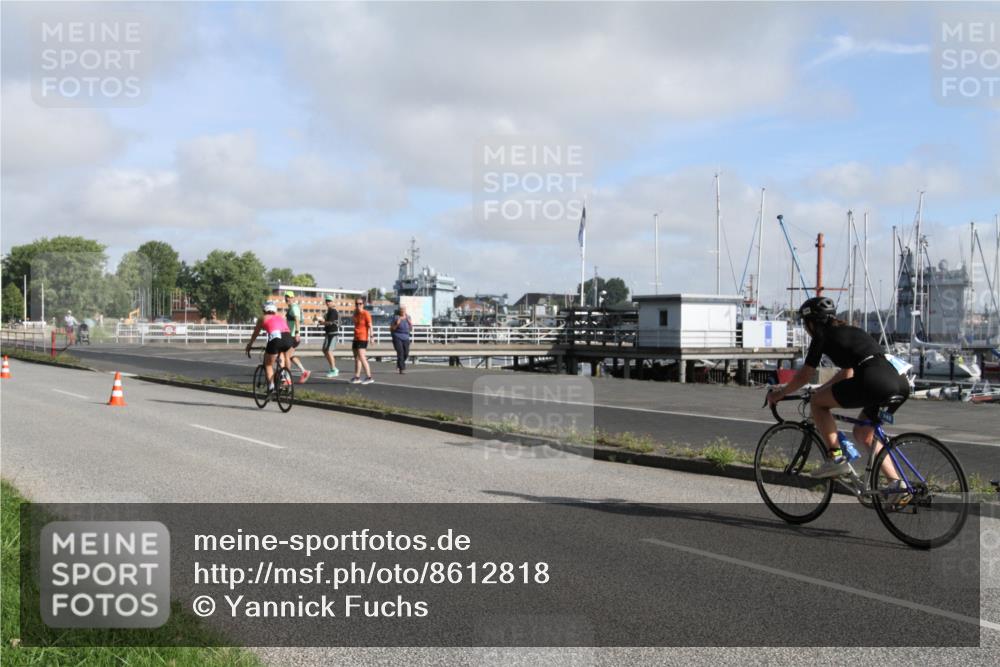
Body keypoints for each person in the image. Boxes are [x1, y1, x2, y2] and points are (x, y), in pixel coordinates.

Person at [767, 296, 910, 479]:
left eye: (805, 323)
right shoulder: (850, 331)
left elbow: (805, 375)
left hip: (874, 380)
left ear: (811, 323)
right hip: (899, 380)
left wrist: (780, 393)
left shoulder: (822, 335)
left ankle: (835, 458)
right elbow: (846, 374)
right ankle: (897, 484)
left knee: (817, 404)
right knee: (864, 433)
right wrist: (822, 390)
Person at [245, 301, 293, 392]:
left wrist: (250, 345)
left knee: (268, 364)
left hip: (276, 338)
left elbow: (255, 333)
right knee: (281, 351)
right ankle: (283, 374)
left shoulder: (263, 318)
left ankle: (271, 387)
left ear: (264, 310)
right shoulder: (280, 317)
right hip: (288, 338)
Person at [283, 291, 311, 384]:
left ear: (293, 298)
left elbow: (297, 320)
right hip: (290, 335)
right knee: (289, 356)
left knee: (286, 355)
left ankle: (288, 378)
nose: (288, 299)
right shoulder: (291, 307)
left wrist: (297, 333)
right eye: (286, 297)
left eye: (290, 297)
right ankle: (304, 371)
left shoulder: (294, 307)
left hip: (293, 336)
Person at [351, 297, 374, 384]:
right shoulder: (355, 314)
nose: (358, 305)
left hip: (363, 337)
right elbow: (354, 321)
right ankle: (357, 377)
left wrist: (372, 336)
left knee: (362, 357)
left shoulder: (366, 313)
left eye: (360, 304)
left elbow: (370, 326)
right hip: (356, 337)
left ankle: (369, 377)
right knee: (357, 358)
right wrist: (354, 313)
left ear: (363, 305)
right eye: (356, 304)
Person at [390, 304, 413, 374]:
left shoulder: (408, 317)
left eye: (404, 309)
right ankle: (402, 369)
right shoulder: (396, 317)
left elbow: (411, 329)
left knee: (406, 353)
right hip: (397, 336)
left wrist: (410, 324)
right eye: (401, 310)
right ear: (399, 311)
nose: (403, 311)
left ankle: (399, 363)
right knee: (400, 353)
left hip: (406, 337)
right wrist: (397, 323)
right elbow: (391, 328)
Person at [321, 294, 340, 378]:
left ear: (333, 302)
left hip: (333, 333)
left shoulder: (333, 311)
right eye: (327, 301)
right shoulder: (328, 311)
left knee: (329, 351)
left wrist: (322, 322)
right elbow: (327, 321)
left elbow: (330, 322)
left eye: (329, 301)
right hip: (328, 333)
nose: (328, 302)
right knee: (324, 350)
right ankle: (333, 367)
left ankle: (333, 369)